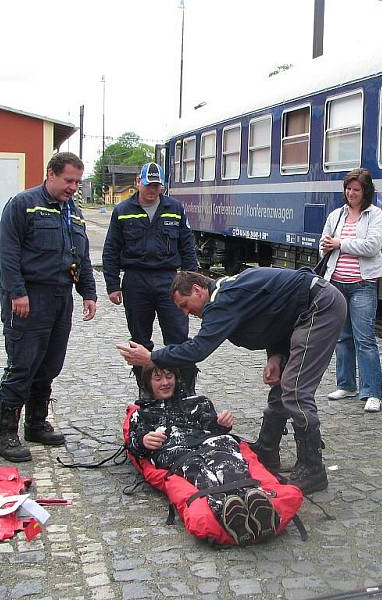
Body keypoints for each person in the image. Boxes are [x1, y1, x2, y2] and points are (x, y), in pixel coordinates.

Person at [118, 268, 346, 494]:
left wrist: (152, 357)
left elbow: (199, 349)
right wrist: (277, 356)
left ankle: (312, 468)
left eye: (185, 305)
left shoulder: (222, 301)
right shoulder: (225, 294)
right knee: (283, 387)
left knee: (295, 391)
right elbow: (276, 316)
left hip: (319, 307)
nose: (186, 313)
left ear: (197, 290)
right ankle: (267, 451)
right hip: (304, 310)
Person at [0, 152, 97, 462]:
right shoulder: (23, 205)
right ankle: (6, 434)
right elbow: (8, 253)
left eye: (77, 182)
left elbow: (82, 256)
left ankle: (36, 424)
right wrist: (17, 293)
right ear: (51, 174)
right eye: (68, 181)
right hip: (29, 299)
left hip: (59, 300)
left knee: (49, 366)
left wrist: (88, 292)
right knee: (22, 366)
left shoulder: (74, 213)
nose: (73, 188)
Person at [127, 364, 279, 545]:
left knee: (227, 463)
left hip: (213, 444)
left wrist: (222, 424)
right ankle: (228, 511)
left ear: (176, 378)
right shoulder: (142, 414)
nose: (166, 383)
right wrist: (144, 441)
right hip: (179, 453)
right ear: (148, 383)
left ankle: (256, 501)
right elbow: (134, 445)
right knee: (200, 473)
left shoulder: (197, 402)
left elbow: (212, 426)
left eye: (169, 376)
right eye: (158, 378)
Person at [102, 162, 198, 392]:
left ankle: (184, 391)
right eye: (148, 185)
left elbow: (187, 247)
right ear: (139, 182)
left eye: (156, 186)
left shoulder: (175, 208)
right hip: (136, 281)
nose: (152, 190)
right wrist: (113, 285)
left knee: (178, 338)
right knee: (139, 341)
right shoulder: (122, 210)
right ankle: (146, 390)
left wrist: (191, 282)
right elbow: (111, 250)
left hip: (169, 280)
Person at [319, 168, 382, 413]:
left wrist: (340, 243)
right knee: (342, 337)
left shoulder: (374, 215)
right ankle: (346, 384)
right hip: (336, 283)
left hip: (362, 285)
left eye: (356, 189)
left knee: (365, 339)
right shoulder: (336, 215)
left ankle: (372, 392)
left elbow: (372, 246)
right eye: (348, 189)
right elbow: (324, 244)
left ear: (365, 191)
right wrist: (328, 245)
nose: (351, 193)